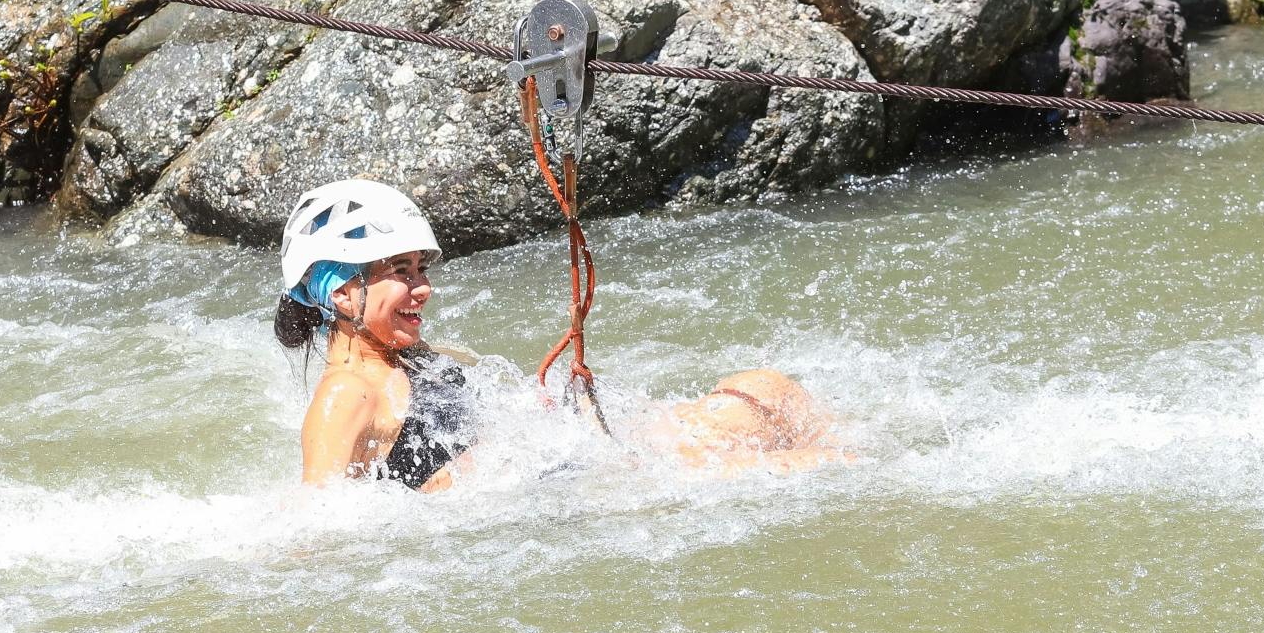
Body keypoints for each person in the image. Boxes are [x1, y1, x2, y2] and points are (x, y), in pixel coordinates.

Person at [276, 179, 852, 489]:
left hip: (560, 461)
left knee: (770, 388)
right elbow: (325, 524)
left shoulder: (400, 355)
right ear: (341, 292)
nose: (423, 287)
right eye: (400, 273)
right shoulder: (346, 393)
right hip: (565, 489)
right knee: (822, 462)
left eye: (422, 269)